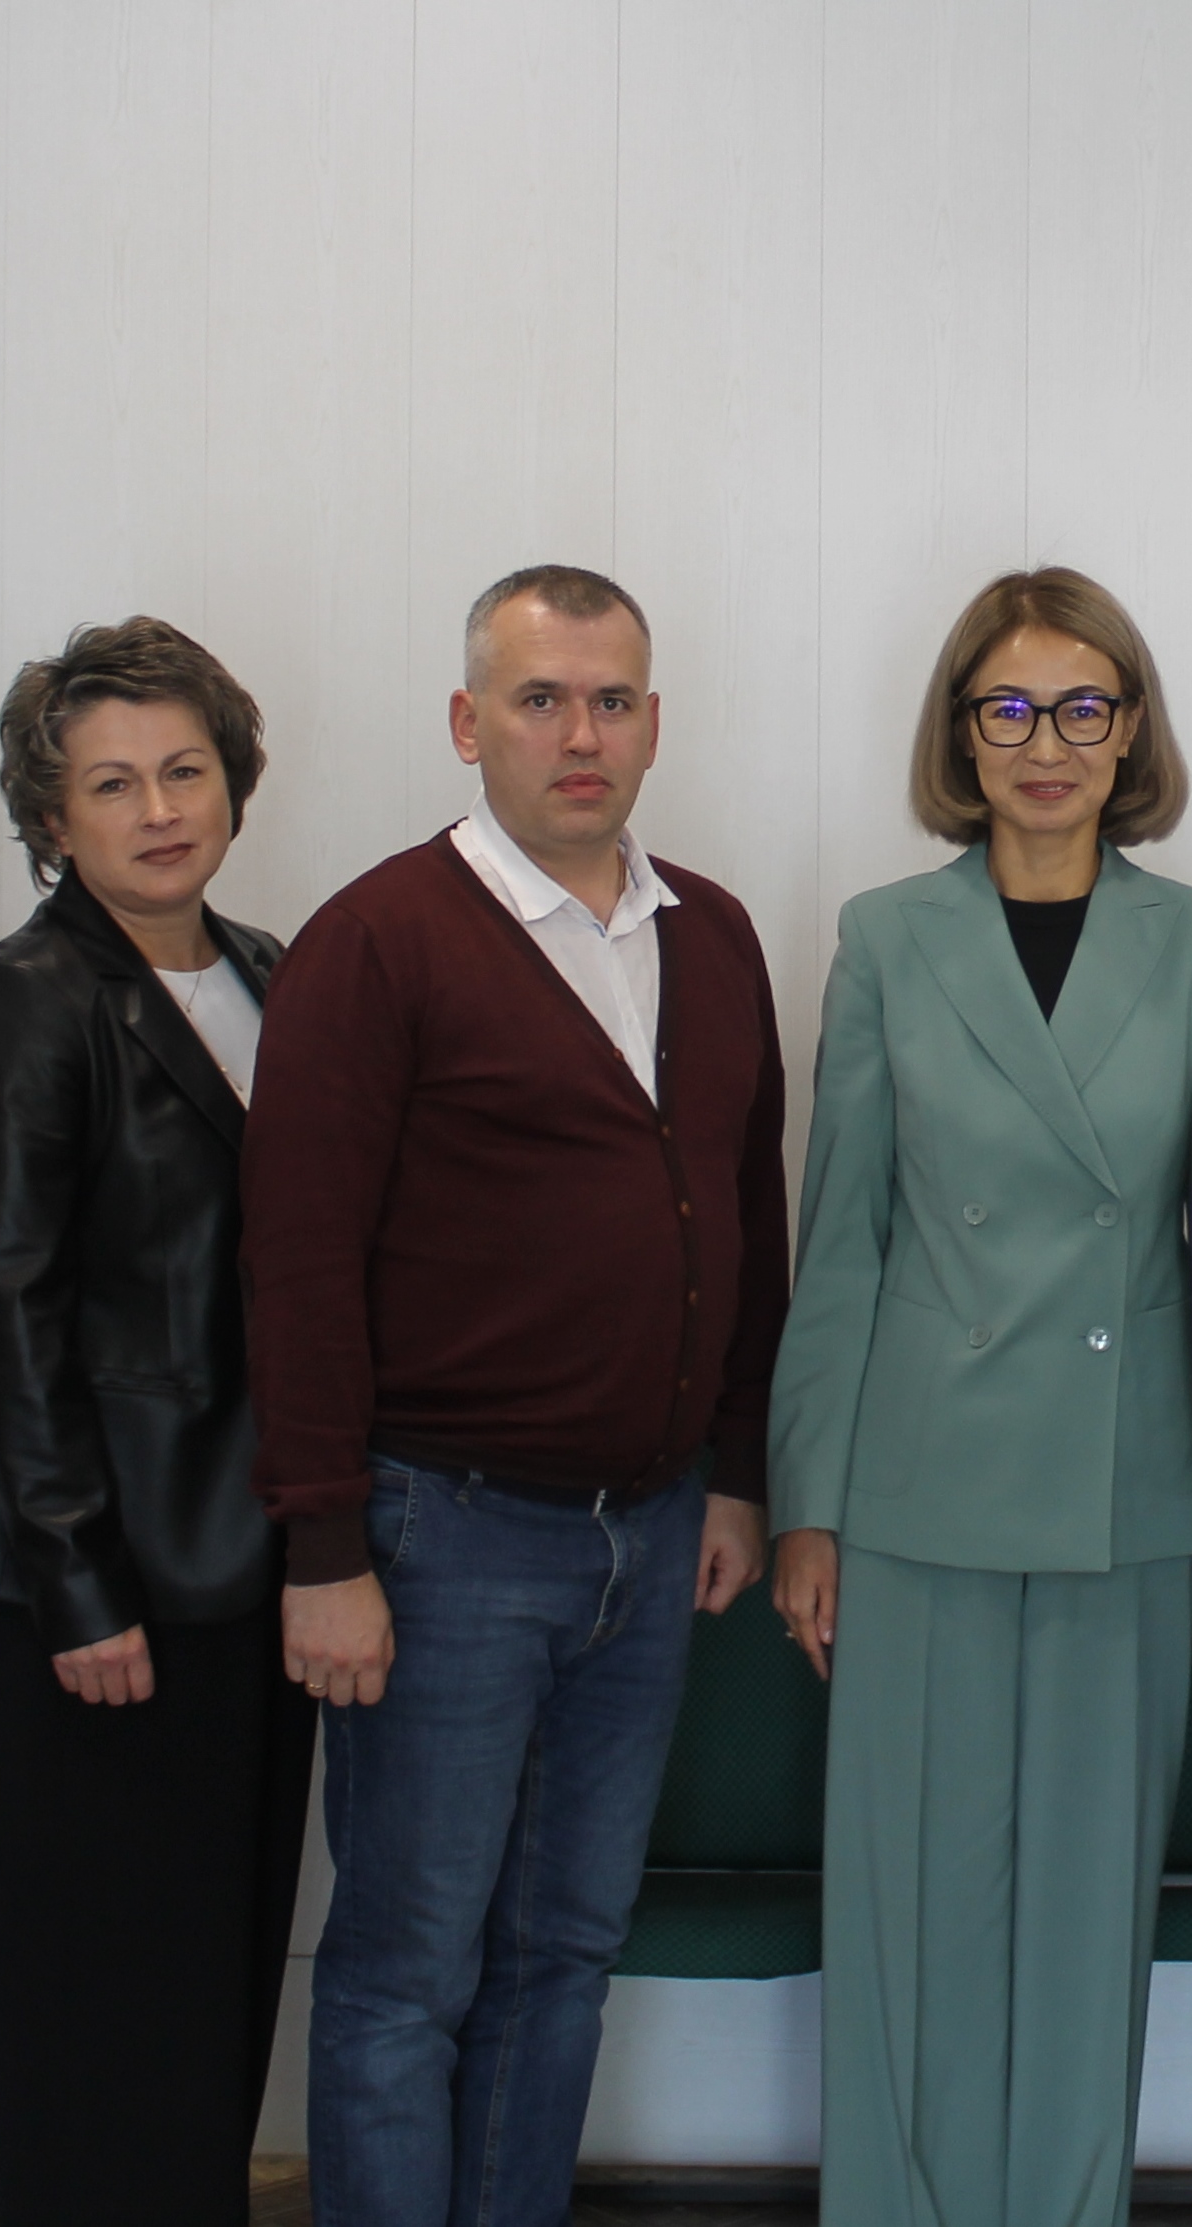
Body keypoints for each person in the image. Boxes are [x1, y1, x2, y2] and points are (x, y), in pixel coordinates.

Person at [247, 565, 791, 2227]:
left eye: (611, 699)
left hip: (651, 1536)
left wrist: (736, 1467)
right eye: (541, 698)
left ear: (653, 722)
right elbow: (296, 1261)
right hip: (441, 1539)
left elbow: (747, 1217)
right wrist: (322, 1544)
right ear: (467, 721)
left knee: (563, 1951)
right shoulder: (376, 941)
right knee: (408, 1967)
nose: (580, 734)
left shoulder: (710, 932)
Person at [766, 568, 1192, 2227]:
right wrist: (809, 1501)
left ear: (1128, 732)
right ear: (960, 734)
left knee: (1084, 1912)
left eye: (1080, 705)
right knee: (910, 1905)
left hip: (1130, 1482)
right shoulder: (884, 935)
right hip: (916, 1484)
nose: (1044, 742)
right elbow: (841, 1236)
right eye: (1007, 707)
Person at [0, 617, 312, 2227]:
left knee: (210, 1980)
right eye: (110, 782)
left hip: (254, 1557)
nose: (159, 809)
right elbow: (3, 1315)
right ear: (50, 813)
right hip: (99, 1588)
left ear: (233, 779)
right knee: (93, 2001)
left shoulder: (274, 968)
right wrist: (80, 1581)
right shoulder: (21, 1001)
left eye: (184, 769)